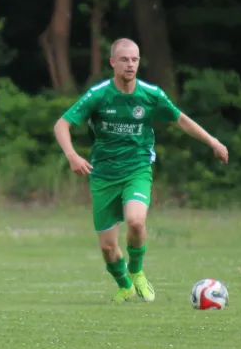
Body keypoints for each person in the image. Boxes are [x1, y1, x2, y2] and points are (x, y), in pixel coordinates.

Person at [54, 38, 228, 303]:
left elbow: (180, 119)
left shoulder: (151, 94)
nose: (130, 64)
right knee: (108, 248)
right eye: (124, 59)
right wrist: (72, 156)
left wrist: (213, 142)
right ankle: (124, 285)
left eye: (135, 59)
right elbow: (61, 125)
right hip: (102, 175)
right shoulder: (99, 95)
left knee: (136, 220)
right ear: (113, 62)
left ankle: (136, 272)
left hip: (137, 168)